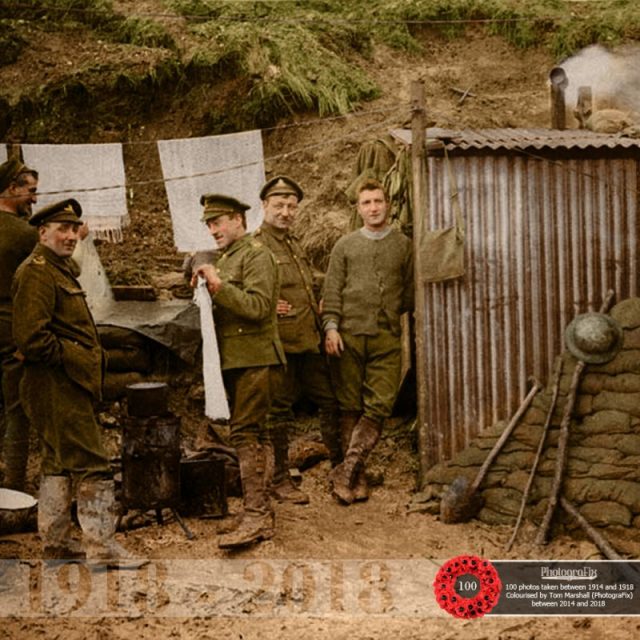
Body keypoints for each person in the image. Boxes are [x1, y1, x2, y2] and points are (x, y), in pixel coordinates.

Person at [12, 198, 139, 565]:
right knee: (93, 463)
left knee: (57, 462)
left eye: (73, 229)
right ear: (43, 232)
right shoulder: (37, 271)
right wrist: (71, 360)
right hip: (56, 383)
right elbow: (32, 338)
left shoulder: (56, 267)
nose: (70, 236)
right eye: (62, 229)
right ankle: (102, 548)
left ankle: (56, 543)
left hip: (59, 382)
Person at [191, 193, 285, 548]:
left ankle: (257, 516)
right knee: (253, 434)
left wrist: (217, 285)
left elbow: (260, 308)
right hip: (238, 360)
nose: (213, 230)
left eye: (217, 222)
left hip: (257, 359)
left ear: (237, 219)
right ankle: (257, 512)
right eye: (209, 225)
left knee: (248, 435)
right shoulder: (231, 257)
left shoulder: (257, 255)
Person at [322, 178, 414, 504]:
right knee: (349, 404)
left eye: (378, 201)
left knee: (379, 405)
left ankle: (345, 471)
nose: (373, 208)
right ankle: (356, 477)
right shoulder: (344, 246)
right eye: (366, 203)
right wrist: (331, 327)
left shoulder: (403, 245)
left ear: (387, 204)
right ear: (358, 209)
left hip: (387, 338)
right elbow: (331, 291)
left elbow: (409, 293)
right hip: (347, 337)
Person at [254, 176, 340, 505]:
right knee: (278, 411)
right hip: (279, 345)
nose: (286, 212)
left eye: (291, 206)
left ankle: (339, 468)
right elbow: (237, 285)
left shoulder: (293, 243)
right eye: (279, 205)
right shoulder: (256, 245)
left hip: (308, 340)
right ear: (264, 206)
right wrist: (263, 299)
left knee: (331, 400)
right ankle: (277, 480)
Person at [0, 158, 39, 490]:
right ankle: (13, 490)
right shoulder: (26, 236)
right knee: (16, 408)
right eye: (30, 191)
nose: (34, 199)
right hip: (11, 331)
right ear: (11, 189)